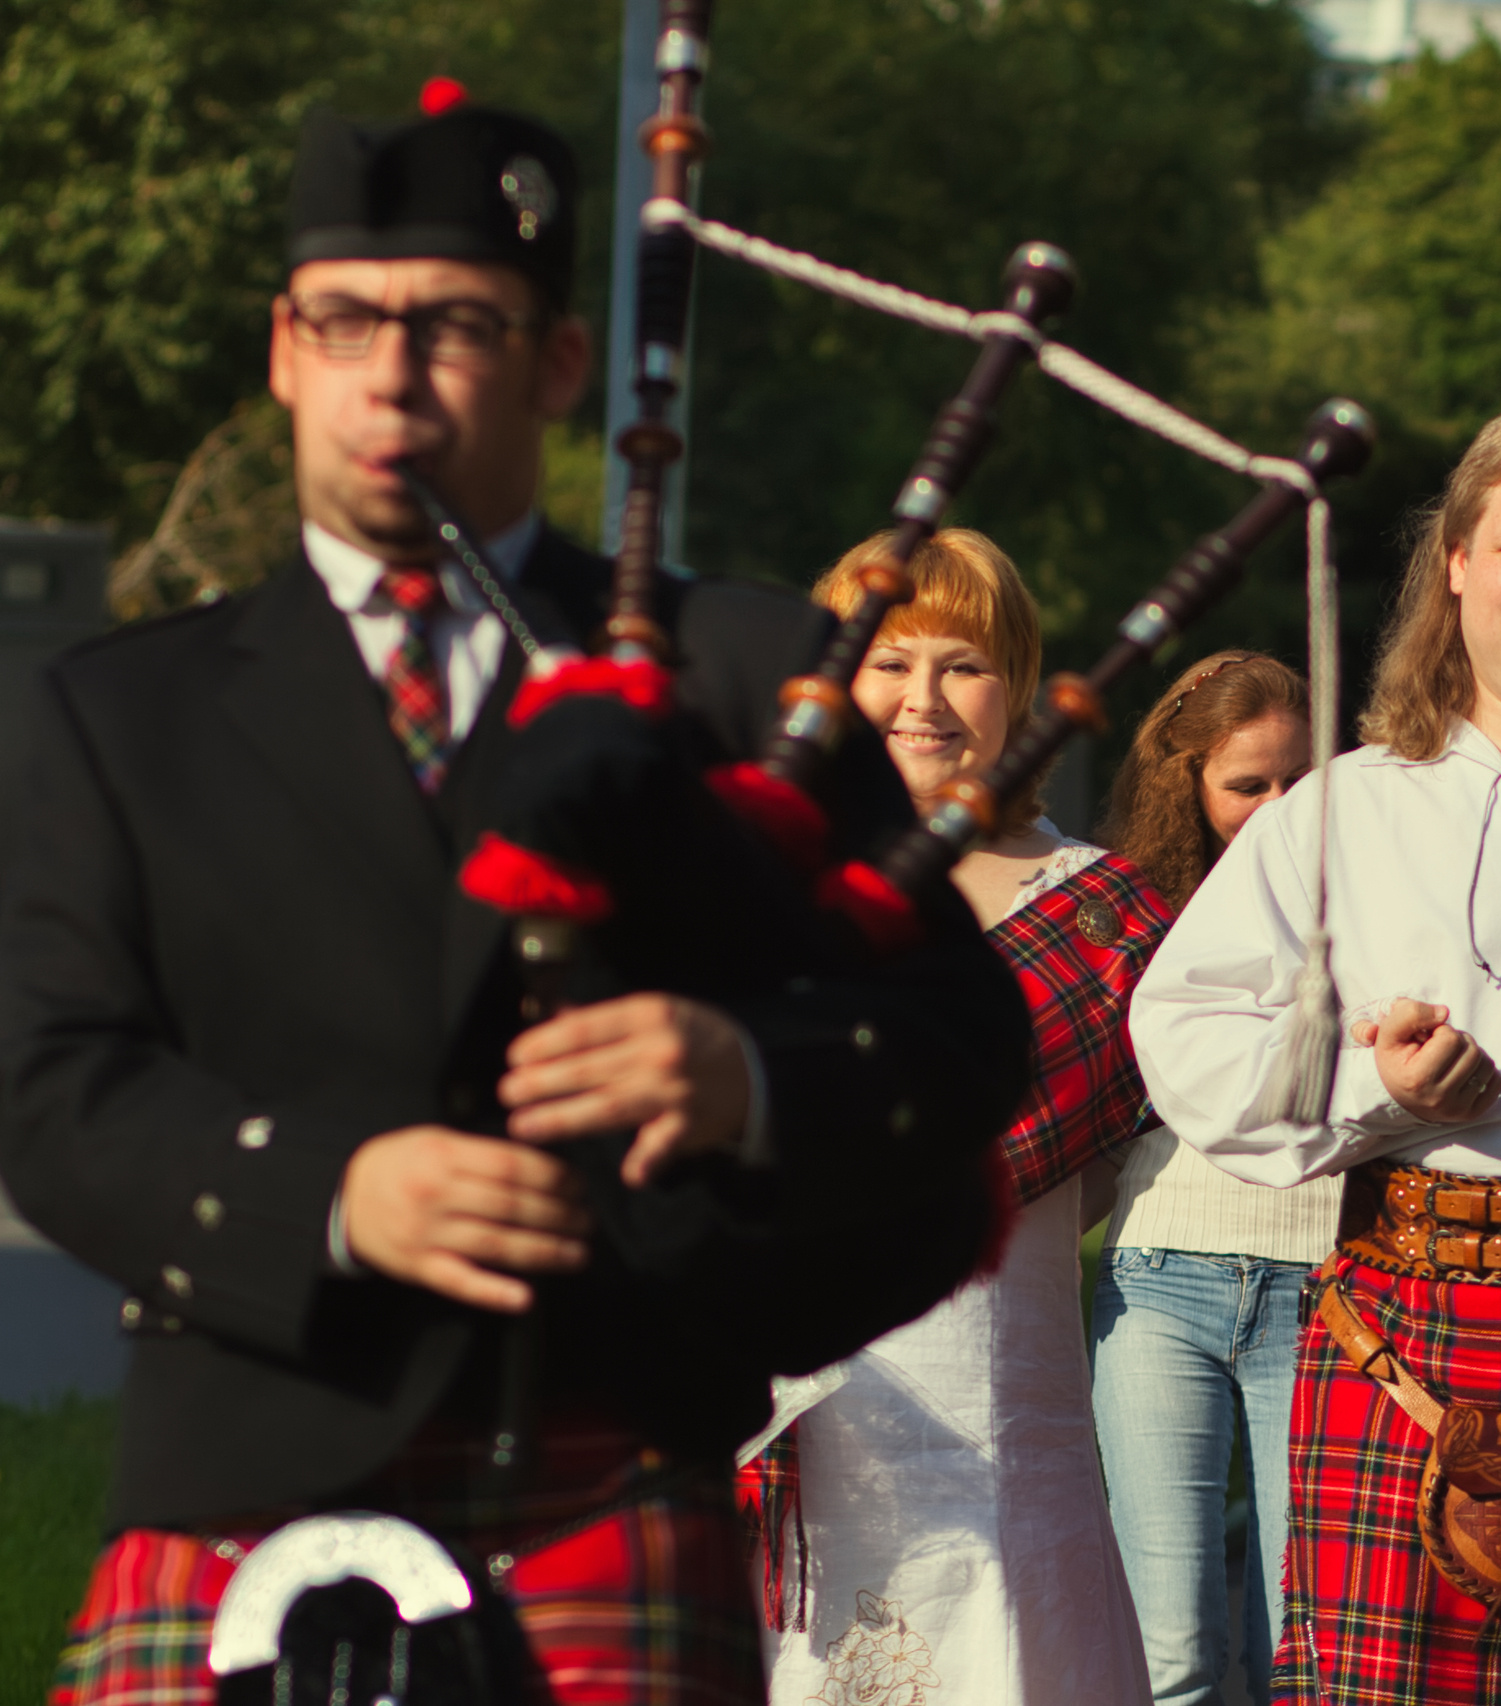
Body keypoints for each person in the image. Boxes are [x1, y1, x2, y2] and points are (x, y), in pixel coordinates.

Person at [2, 93, 1023, 1706]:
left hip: (607, 1460)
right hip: (240, 1483)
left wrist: (744, 1072)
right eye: (347, 322)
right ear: (283, 348)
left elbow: (964, 1044)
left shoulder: (755, 680)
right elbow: (52, 1086)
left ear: (556, 366)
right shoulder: (121, 714)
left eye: (456, 324)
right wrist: (334, 1195)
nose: (392, 375)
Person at [1132, 398, 1501, 1706]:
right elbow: (1183, 1031)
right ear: (1455, 562)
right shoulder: (1346, 807)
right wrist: (1366, 1089)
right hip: (1404, 1351)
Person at [749, 527, 1162, 1706]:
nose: (923, 697)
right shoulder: (756, 883)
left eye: (964, 664)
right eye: (890, 658)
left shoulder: (1101, 912)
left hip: (999, 1444)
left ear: (1019, 690)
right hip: (795, 1433)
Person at [1089, 650, 1330, 1706]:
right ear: (1184, 783)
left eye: (1298, 778)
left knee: (1297, 1653)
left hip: (1321, 1288)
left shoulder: (1370, 885)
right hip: (1160, 1275)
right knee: (1170, 1654)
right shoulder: (1131, 906)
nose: (1278, 807)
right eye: (1246, 784)